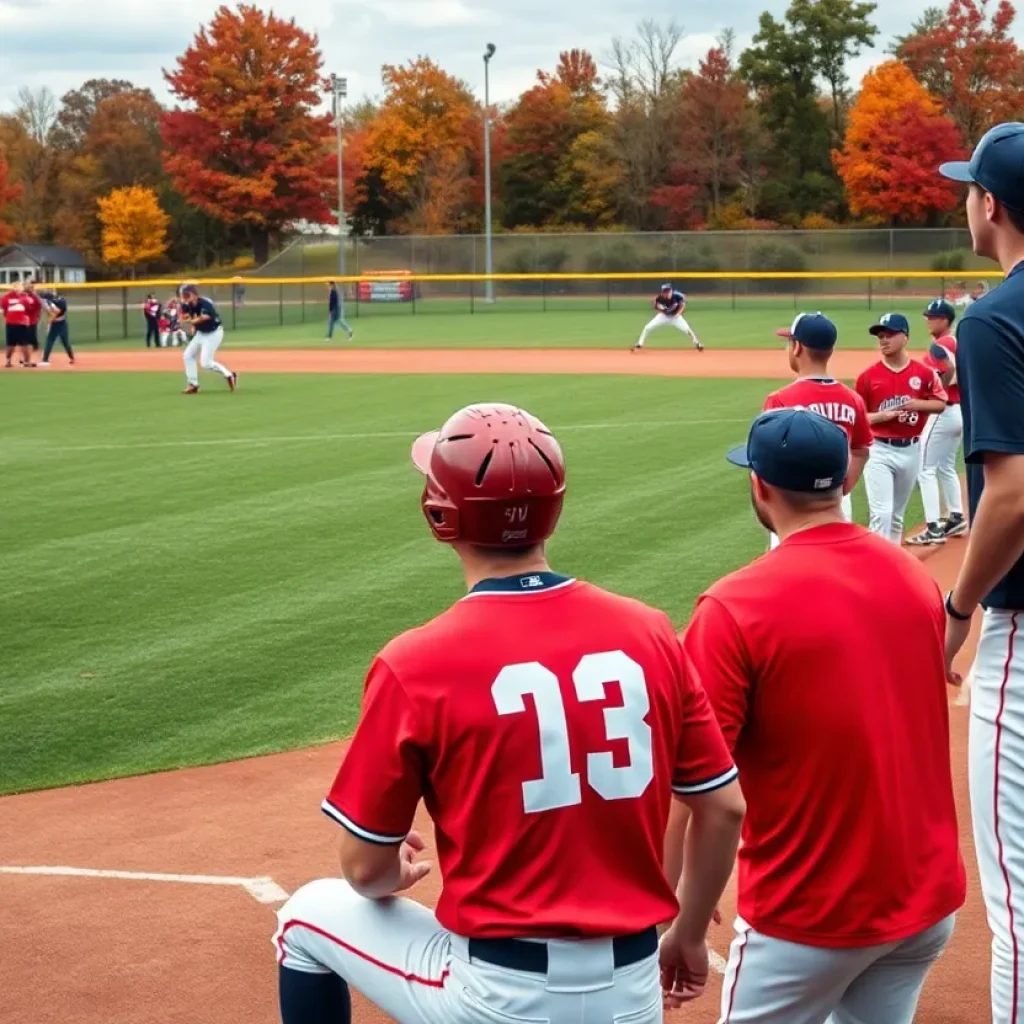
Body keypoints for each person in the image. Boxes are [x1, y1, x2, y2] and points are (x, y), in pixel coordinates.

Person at [273, 402, 745, 1024]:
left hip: (497, 997)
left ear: (440, 516)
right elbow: (724, 806)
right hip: (632, 994)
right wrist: (685, 932)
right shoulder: (651, 631)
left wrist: (395, 871)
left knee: (303, 919)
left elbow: (363, 871)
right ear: (554, 507)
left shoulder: (415, 661)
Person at [668, 407, 966, 1024]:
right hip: (926, 902)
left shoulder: (733, 607)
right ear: (848, 478)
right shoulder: (914, 579)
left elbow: (697, 789)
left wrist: (684, 923)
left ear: (760, 486)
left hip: (809, 919)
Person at [940, 121, 1024, 1024]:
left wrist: (961, 605)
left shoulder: (997, 317)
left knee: (1019, 907)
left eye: (969, 187)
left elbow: (1012, 497)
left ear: (990, 204)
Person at [761, 312, 872, 548]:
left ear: (798, 347)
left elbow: (766, 460)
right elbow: (862, 450)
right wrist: (843, 488)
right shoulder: (852, 399)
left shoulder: (780, 400)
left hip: (790, 504)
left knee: (788, 573)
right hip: (836, 501)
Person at [855, 312, 948, 543]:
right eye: (880, 336)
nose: (883, 340)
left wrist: (917, 404)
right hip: (879, 450)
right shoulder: (867, 377)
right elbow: (858, 418)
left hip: (911, 450)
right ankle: (877, 567)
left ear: (904, 337)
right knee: (882, 514)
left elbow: (941, 403)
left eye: (889, 335)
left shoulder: (923, 373)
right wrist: (881, 416)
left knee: (896, 516)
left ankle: (892, 565)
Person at [907, 299, 966, 546]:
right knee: (946, 466)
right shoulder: (958, 342)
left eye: (932, 317)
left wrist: (936, 390)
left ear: (944, 320)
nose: (928, 320)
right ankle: (956, 516)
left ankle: (933, 528)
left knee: (925, 469)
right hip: (960, 412)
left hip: (943, 413)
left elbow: (947, 373)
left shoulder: (940, 346)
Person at [179, 283, 236, 394]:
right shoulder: (187, 304)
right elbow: (186, 315)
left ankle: (229, 375)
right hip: (201, 333)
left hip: (214, 333)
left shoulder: (205, 303)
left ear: (194, 294)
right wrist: (184, 320)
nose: (186, 297)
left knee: (205, 363)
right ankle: (193, 384)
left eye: (187, 294)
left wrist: (190, 322)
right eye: (184, 295)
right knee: (187, 356)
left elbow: (205, 317)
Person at [632, 283, 704, 352]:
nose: (666, 293)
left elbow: (683, 305)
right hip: (663, 316)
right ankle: (639, 344)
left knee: (687, 329)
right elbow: (655, 306)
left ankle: (697, 344)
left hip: (676, 317)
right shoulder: (659, 298)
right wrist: (662, 312)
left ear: (671, 290)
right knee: (647, 327)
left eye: (667, 291)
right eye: (664, 291)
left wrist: (678, 314)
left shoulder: (677, 296)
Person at [38, 289, 74, 366]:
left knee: (62, 341)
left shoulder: (55, 302)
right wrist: (50, 319)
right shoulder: (58, 301)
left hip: (60, 323)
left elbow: (57, 311)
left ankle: (71, 357)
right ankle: (45, 359)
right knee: (52, 341)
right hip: (58, 323)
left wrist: (50, 320)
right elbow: (54, 312)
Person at [2, 281, 32, 369]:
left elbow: (28, 308)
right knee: (11, 344)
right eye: (17, 287)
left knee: (24, 344)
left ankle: (27, 362)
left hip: (21, 323)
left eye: (20, 287)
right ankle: (8, 361)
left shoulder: (25, 297)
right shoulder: (6, 297)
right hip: (11, 323)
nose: (19, 288)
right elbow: (4, 309)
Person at [22, 280, 42, 366]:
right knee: (25, 342)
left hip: (32, 322)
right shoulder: (20, 296)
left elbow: (38, 307)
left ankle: (26, 360)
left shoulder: (34, 297)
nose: (31, 288)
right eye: (29, 286)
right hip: (21, 322)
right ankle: (26, 360)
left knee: (30, 342)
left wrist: (37, 317)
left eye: (31, 287)